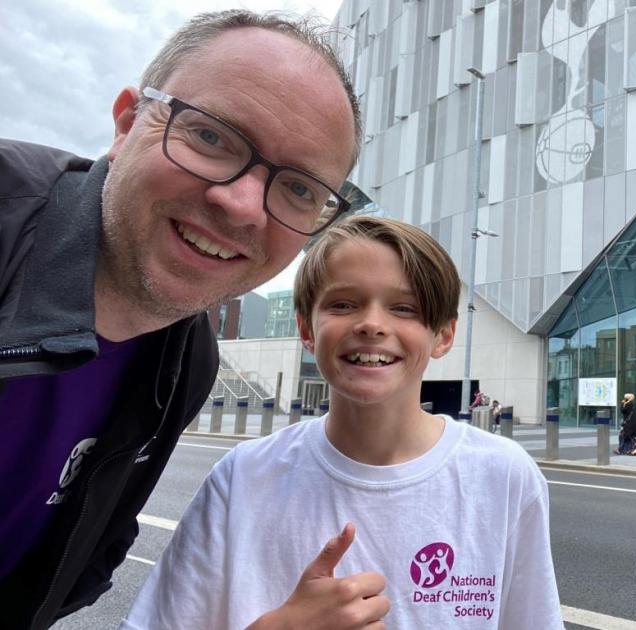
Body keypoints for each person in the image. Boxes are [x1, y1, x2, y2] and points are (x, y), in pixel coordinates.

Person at [0, 10, 363, 628]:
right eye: (212, 137)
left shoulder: (186, 357)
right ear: (126, 123)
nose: (243, 205)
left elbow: (83, 559)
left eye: (300, 189)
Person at [121, 216, 563, 629]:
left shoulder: (504, 475)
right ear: (307, 330)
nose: (372, 324)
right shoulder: (243, 477)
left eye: (405, 308)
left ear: (443, 336)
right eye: (344, 303)